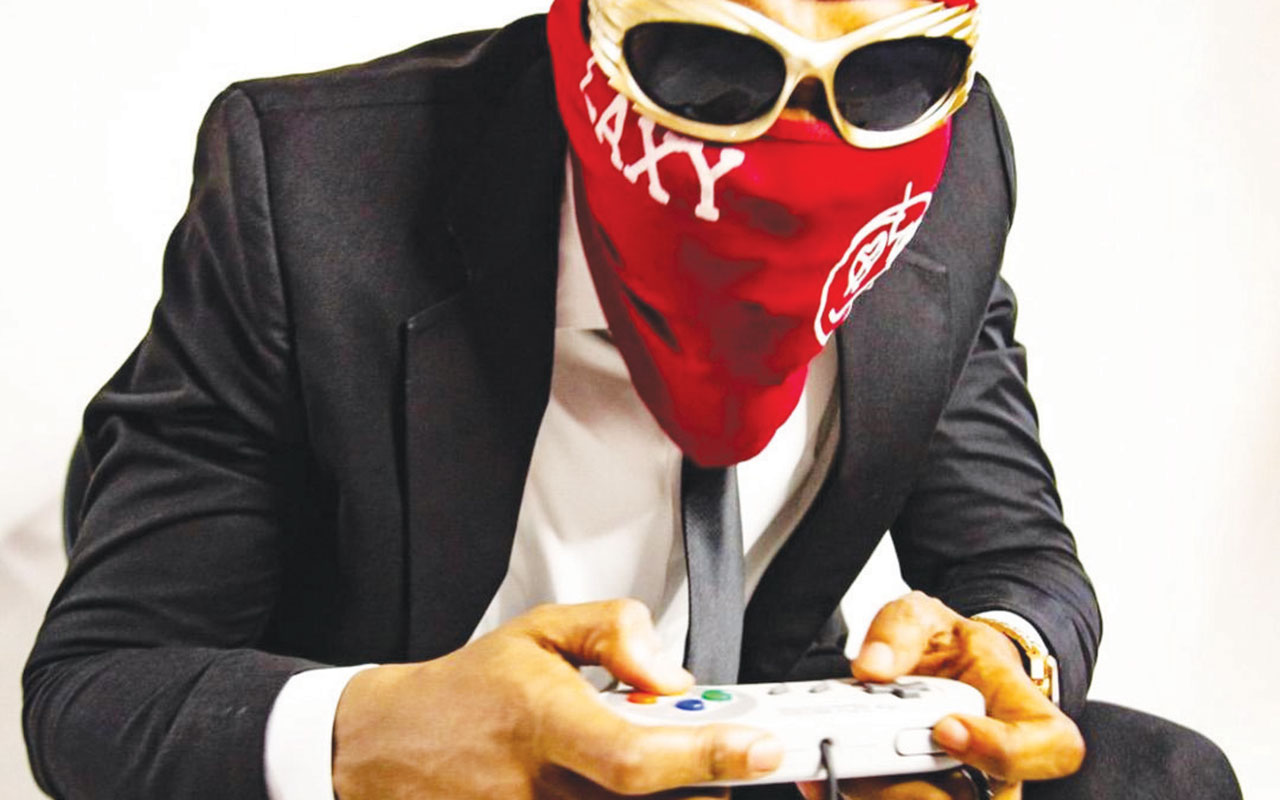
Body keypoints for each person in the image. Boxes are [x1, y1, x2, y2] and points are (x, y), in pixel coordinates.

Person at [22, 1, 1241, 798]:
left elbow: (1016, 557)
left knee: (1164, 774)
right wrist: (383, 728)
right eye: (711, 66)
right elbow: (98, 683)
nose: (800, 148)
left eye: (885, 75)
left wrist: (990, 668)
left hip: (751, 736)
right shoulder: (316, 183)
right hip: (436, 755)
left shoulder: (943, 168)